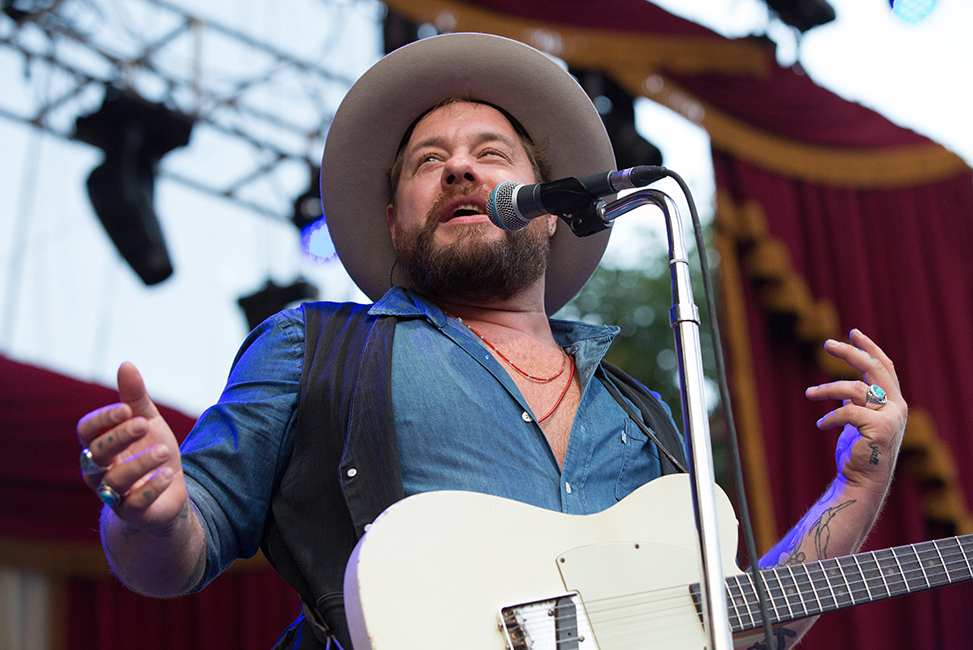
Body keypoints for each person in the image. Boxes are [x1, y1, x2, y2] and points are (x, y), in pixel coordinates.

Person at [76, 33, 907, 650]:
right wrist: (151, 511)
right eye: (428, 162)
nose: (461, 171)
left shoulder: (643, 414)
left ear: (546, 209)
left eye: (490, 154)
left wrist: (860, 486)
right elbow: (174, 558)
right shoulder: (316, 347)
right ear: (395, 217)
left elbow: (730, 627)